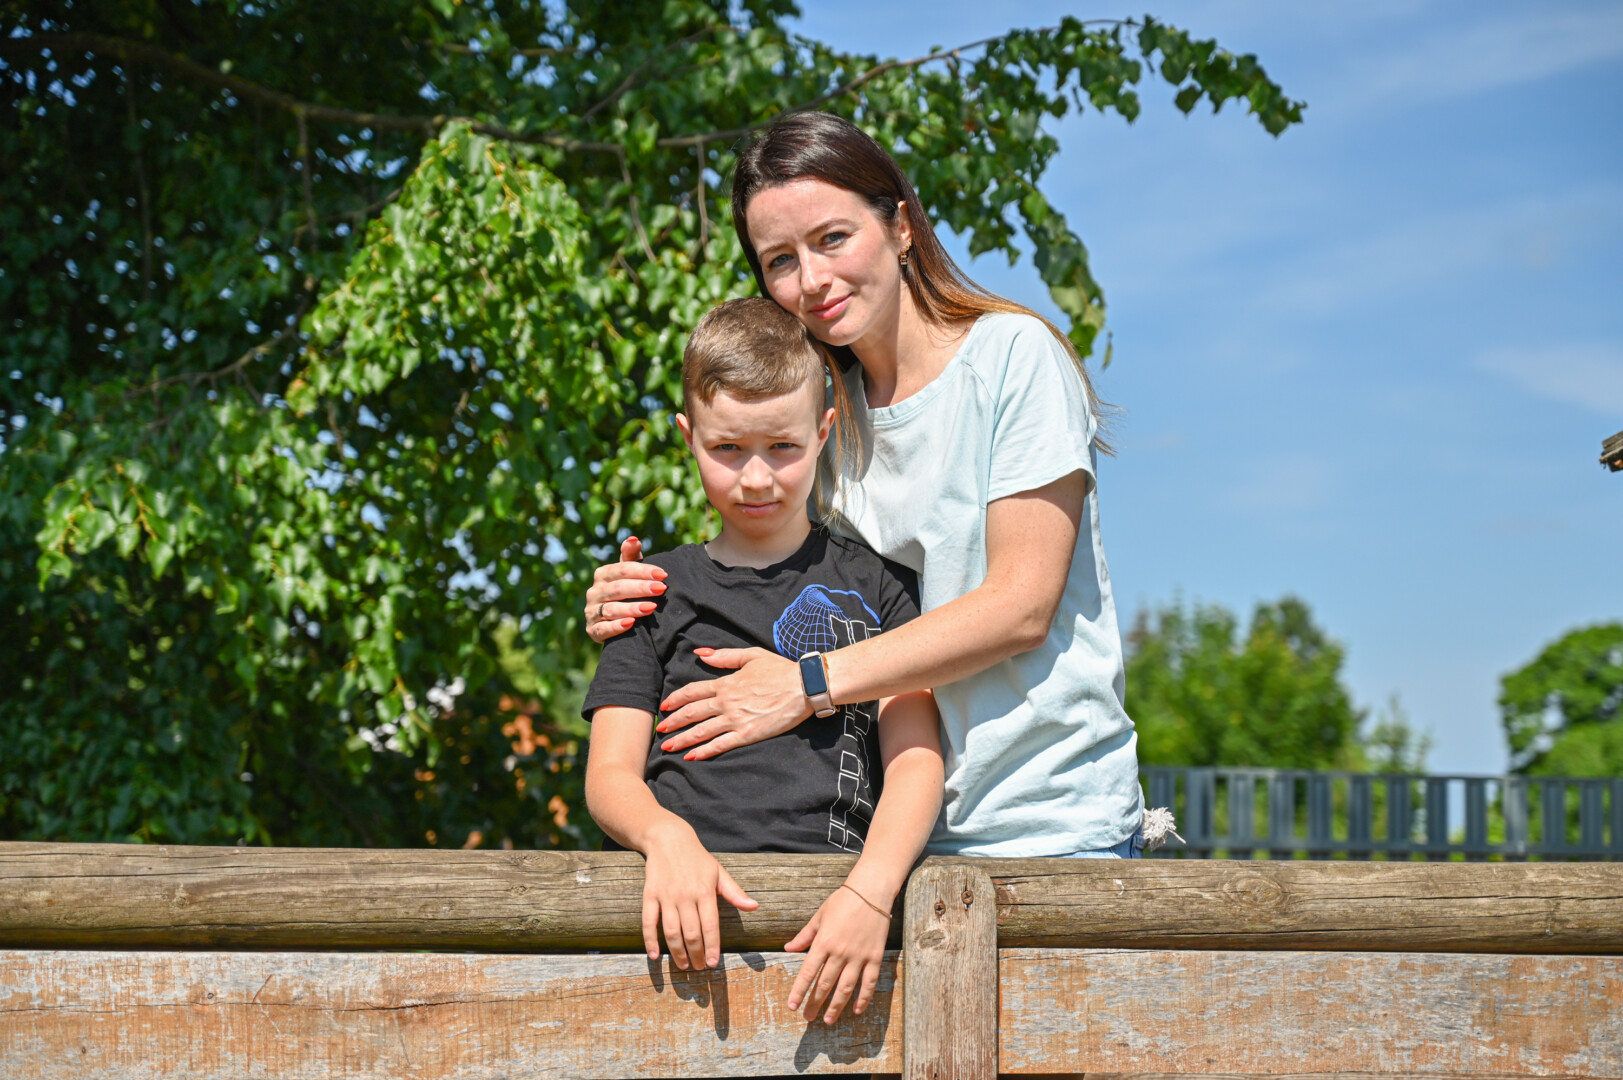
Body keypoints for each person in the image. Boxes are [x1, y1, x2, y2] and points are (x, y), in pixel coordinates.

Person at [585, 110, 1144, 860]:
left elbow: (1021, 606)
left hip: (1039, 823)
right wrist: (631, 601)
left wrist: (808, 683)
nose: (810, 279)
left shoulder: (1012, 358)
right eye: (778, 259)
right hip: (879, 842)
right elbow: (780, 575)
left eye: (832, 238)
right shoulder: (820, 417)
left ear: (903, 225)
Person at [582, 296, 944, 1026]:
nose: (755, 479)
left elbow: (915, 760)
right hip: (680, 933)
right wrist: (665, 838)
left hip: (839, 926)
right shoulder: (650, 593)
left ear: (823, 433)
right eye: (727, 450)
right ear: (688, 438)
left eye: (782, 448)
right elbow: (608, 775)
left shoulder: (881, 587)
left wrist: (871, 892)